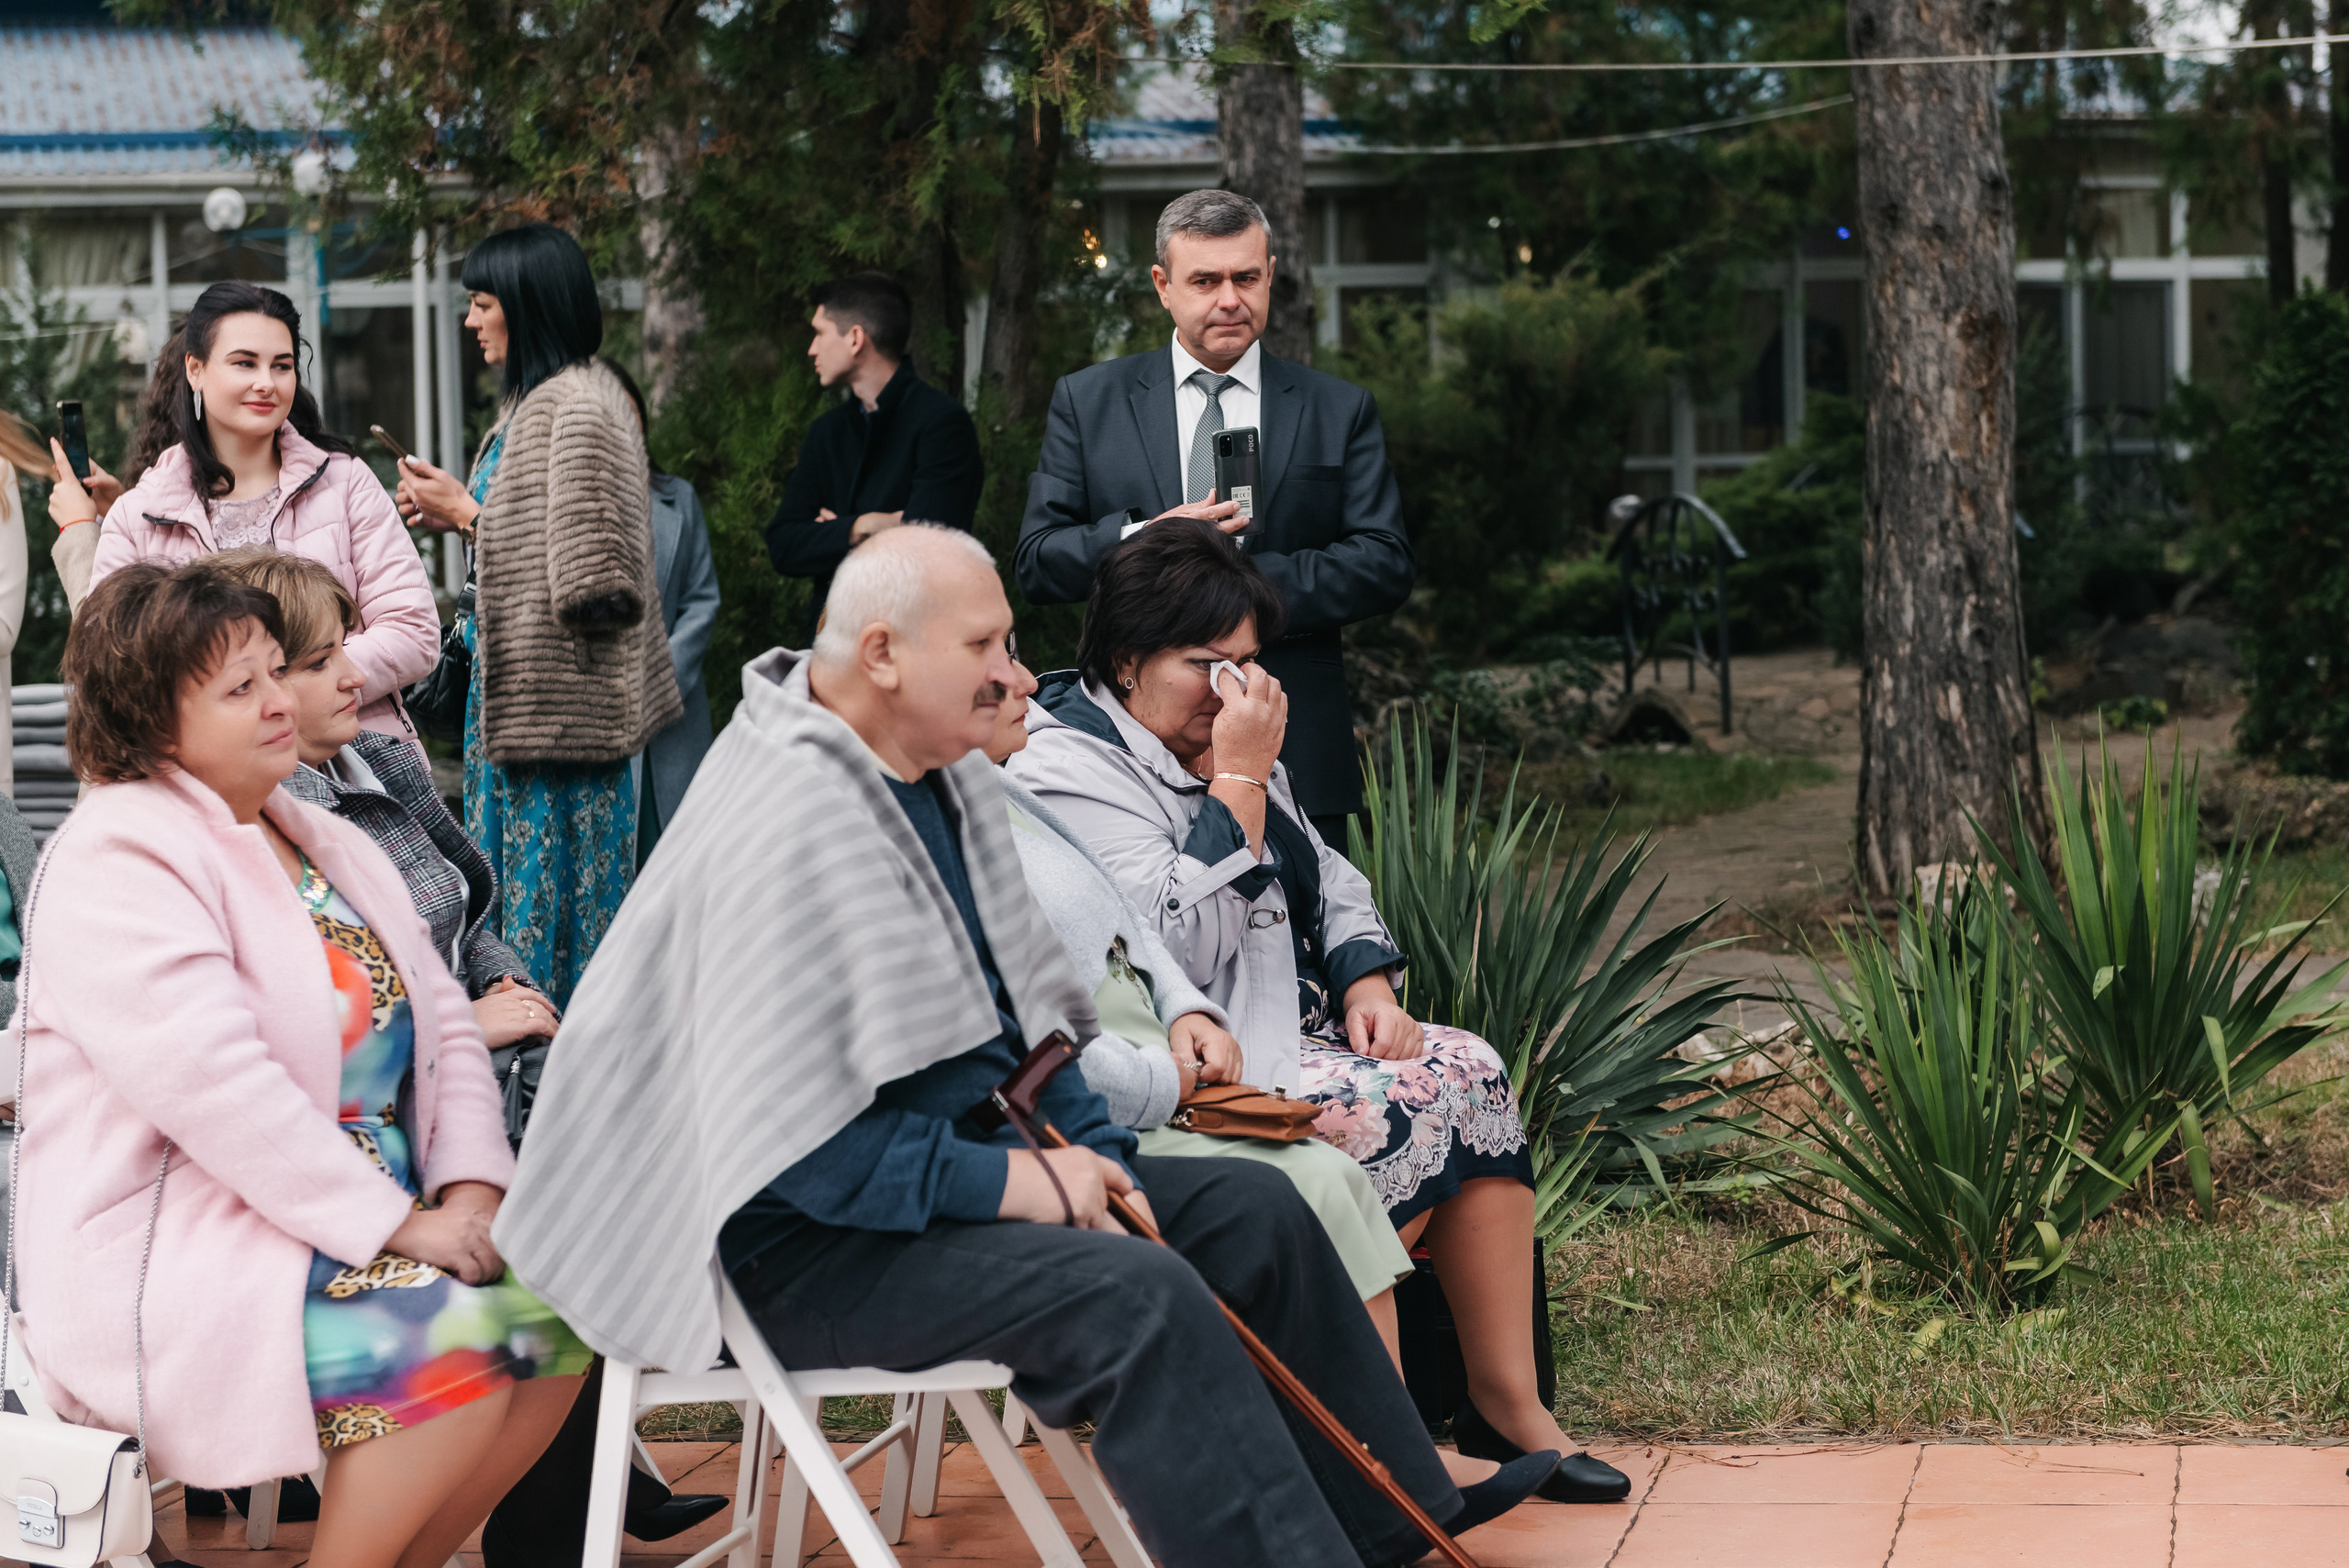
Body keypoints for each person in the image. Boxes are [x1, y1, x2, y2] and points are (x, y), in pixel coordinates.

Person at [494, 525, 1559, 1568]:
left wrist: (1101, 1156)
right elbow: (799, 1156)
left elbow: (1037, 1032)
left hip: (914, 1189)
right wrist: (1032, 1184)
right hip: (777, 1246)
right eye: (988, 647)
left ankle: (1396, 1518)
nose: (1019, 676)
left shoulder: (939, 768)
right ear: (881, 654)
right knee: (1136, 1298)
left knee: (1254, 1207)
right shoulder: (783, 820)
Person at [1006, 517, 1631, 1505]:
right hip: (1195, 1052)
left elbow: (1327, 874)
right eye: (1206, 663)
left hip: (1296, 1016)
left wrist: (1364, 982)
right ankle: (1359, 1442)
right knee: (1390, 1106)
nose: (1235, 690)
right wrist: (1239, 779)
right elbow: (1181, 949)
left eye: (1250, 664)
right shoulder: (1061, 765)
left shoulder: (1219, 726)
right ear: (1126, 660)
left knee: (1469, 1068)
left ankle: (1510, 1404)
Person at [16, 559, 588, 1568]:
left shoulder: (316, 831)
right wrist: (405, 1224)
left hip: (356, 1217)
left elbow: (445, 1022)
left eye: (279, 671)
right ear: (152, 724)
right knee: (448, 1347)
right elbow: (222, 1092)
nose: (283, 701)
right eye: (243, 688)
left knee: (560, 1324)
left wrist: (471, 1191)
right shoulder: (115, 854)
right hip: (190, 1245)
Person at [1015, 188, 1415, 843]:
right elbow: (1038, 560)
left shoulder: (1336, 409)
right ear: (1163, 285)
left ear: (1270, 276)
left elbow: (1385, 560)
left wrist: (1240, 595)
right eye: (1205, 280)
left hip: (1294, 742)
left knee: (1304, 944)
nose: (1229, 298)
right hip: (1127, 750)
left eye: (1245, 277)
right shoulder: (1089, 402)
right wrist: (1151, 539)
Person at [389, 223, 682, 1008]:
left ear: (525, 307)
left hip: (562, 730)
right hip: (524, 718)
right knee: (519, 925)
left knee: (558, 935)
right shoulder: (541, 404)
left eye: (482, 303)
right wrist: (462, 509)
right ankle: (534, 1102)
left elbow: (603, 580)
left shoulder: (578, 407)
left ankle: (566, 1106)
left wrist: (472, 516)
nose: (471, 319)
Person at [49, 281, 440, 746]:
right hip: (202, 779)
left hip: (349, 759)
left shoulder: (345, 482)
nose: (266, 383)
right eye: (244, 363)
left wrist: (280, 694)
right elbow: (108, 657)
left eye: (282, 366)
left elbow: (412, 631)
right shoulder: (139, 513)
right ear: (195, 369)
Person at [763, 272, 984, 643]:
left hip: (913, 642)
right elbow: (783, 544)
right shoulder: (827, 432)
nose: (811, 349)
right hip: (830, 642)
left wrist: (829, 534)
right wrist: (864, 526)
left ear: (854, 338)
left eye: (819, 333)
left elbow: (930, 547)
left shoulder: (942, 423)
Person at [604, 359, 721, 861]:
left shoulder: (679, 499)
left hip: (674, 718)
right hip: (601, 722)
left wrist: (660, 672)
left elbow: (702, 598)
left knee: (677, 864)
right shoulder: (557, 504)